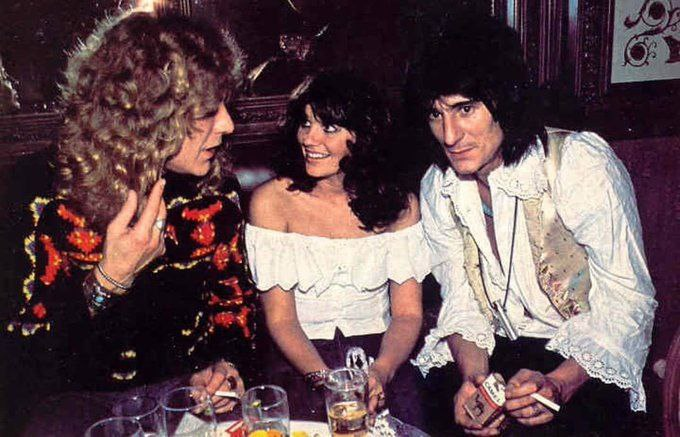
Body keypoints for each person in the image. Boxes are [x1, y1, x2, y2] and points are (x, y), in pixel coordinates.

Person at [2, 10, 255, 434]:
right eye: (207, 111)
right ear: (146, 115)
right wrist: (108, 279)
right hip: (73, 406)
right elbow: (19, 365)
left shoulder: (214, 191)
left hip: (183, 402)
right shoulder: (37, 194)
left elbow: (235, 309)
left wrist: (224, 367)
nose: (227, 124)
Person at [406, 14, 657, 436]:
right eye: (435, 113)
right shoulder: (439, 185)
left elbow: (628, 301)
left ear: (506, 101)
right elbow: (461, 298)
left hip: (582, 357)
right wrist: (475, 382)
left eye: (465, 109)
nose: (449, 135)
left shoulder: (577, 164)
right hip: (492, 350)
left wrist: (558, 384)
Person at [246, 71, 429, 427]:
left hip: (383, 354)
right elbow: (281, 320)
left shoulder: (401, 204)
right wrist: (330, 384)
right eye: (305, 123)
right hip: (300, 359)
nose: (309, 138)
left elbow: (407, 314)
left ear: (364, 135)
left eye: (328, 128)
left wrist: (382, 371)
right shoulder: (271, 202)